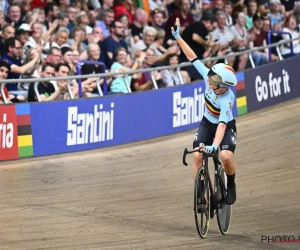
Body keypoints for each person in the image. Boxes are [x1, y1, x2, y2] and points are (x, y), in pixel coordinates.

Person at [171, 18, 238, 206]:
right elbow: (193, 57)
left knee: (225, 156)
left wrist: (215, 146)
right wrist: (178, 38)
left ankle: (231, 184)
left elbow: (223, 125)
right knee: (197, 155)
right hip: (208, 123)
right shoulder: (209, 76)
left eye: (214, 81)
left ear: (223, 85)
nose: (209, 80)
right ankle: (202, 194)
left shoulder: (227, 99)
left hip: (223, 127)